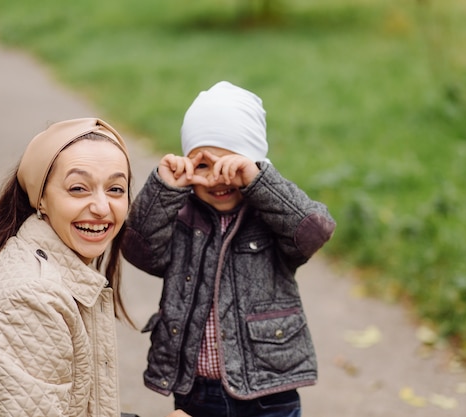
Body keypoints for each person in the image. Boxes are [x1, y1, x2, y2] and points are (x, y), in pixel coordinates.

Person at [0, 118, 190, 417]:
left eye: (116, 189)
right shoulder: (31, 302)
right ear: (41, 199)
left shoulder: (37, 263)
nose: (102, 207)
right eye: (79, 188)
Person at [121, 81, 337, 417]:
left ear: (254, 165)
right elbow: (139, 249)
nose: (218, 179)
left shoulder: (271, 215)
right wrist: (164, 190)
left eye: (232, 166)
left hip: (270, 389)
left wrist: (259, 183)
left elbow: (314, 231)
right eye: (204, 165)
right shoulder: (180, 216)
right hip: (198, 391)